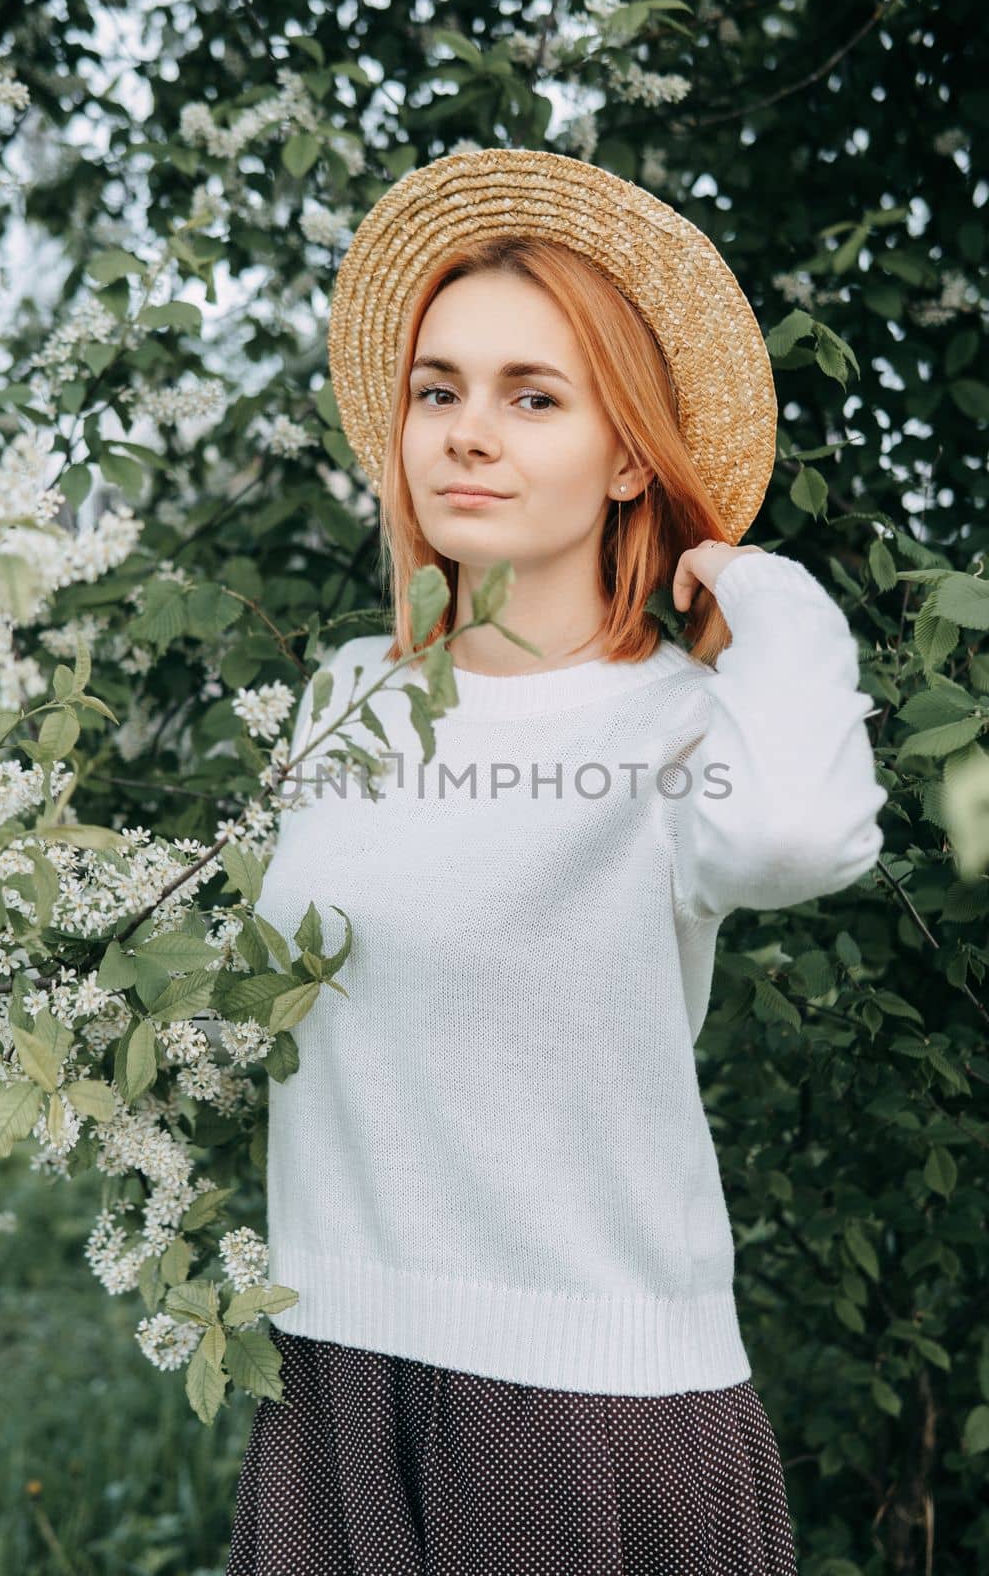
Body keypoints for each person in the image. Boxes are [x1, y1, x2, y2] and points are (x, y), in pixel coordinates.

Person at [225, 147, 887, 1575]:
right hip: (332, 1366)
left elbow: (798, 836)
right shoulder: (346, 689)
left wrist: (756, 586)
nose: (469, 433)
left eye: (534, 398)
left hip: (585, 1400)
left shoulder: (677, 719)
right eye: (439, 390)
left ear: (629, 452)